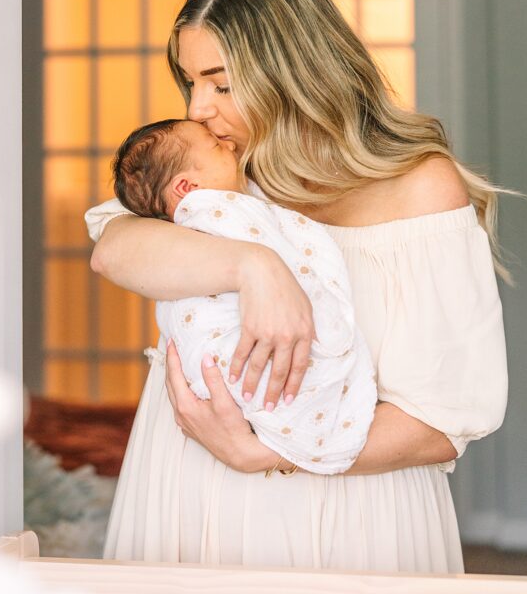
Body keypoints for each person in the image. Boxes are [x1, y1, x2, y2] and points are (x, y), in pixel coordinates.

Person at [85, 0, 510, 594]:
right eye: (188, 82)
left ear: (291, 65)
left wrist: (265, 455)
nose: (197, 108)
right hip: (188, 491)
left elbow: (445, 419)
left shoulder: (417, 187)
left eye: (217, 81)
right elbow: (114, 247)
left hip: (339, 504)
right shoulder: (223, 177)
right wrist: (251, 266)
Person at [110, 116, 377, 475]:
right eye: (217, 147)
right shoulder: (214, 214)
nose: (230, 146)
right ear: (187, 186)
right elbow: (108, 252)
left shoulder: (232, 200)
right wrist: (257, 264)